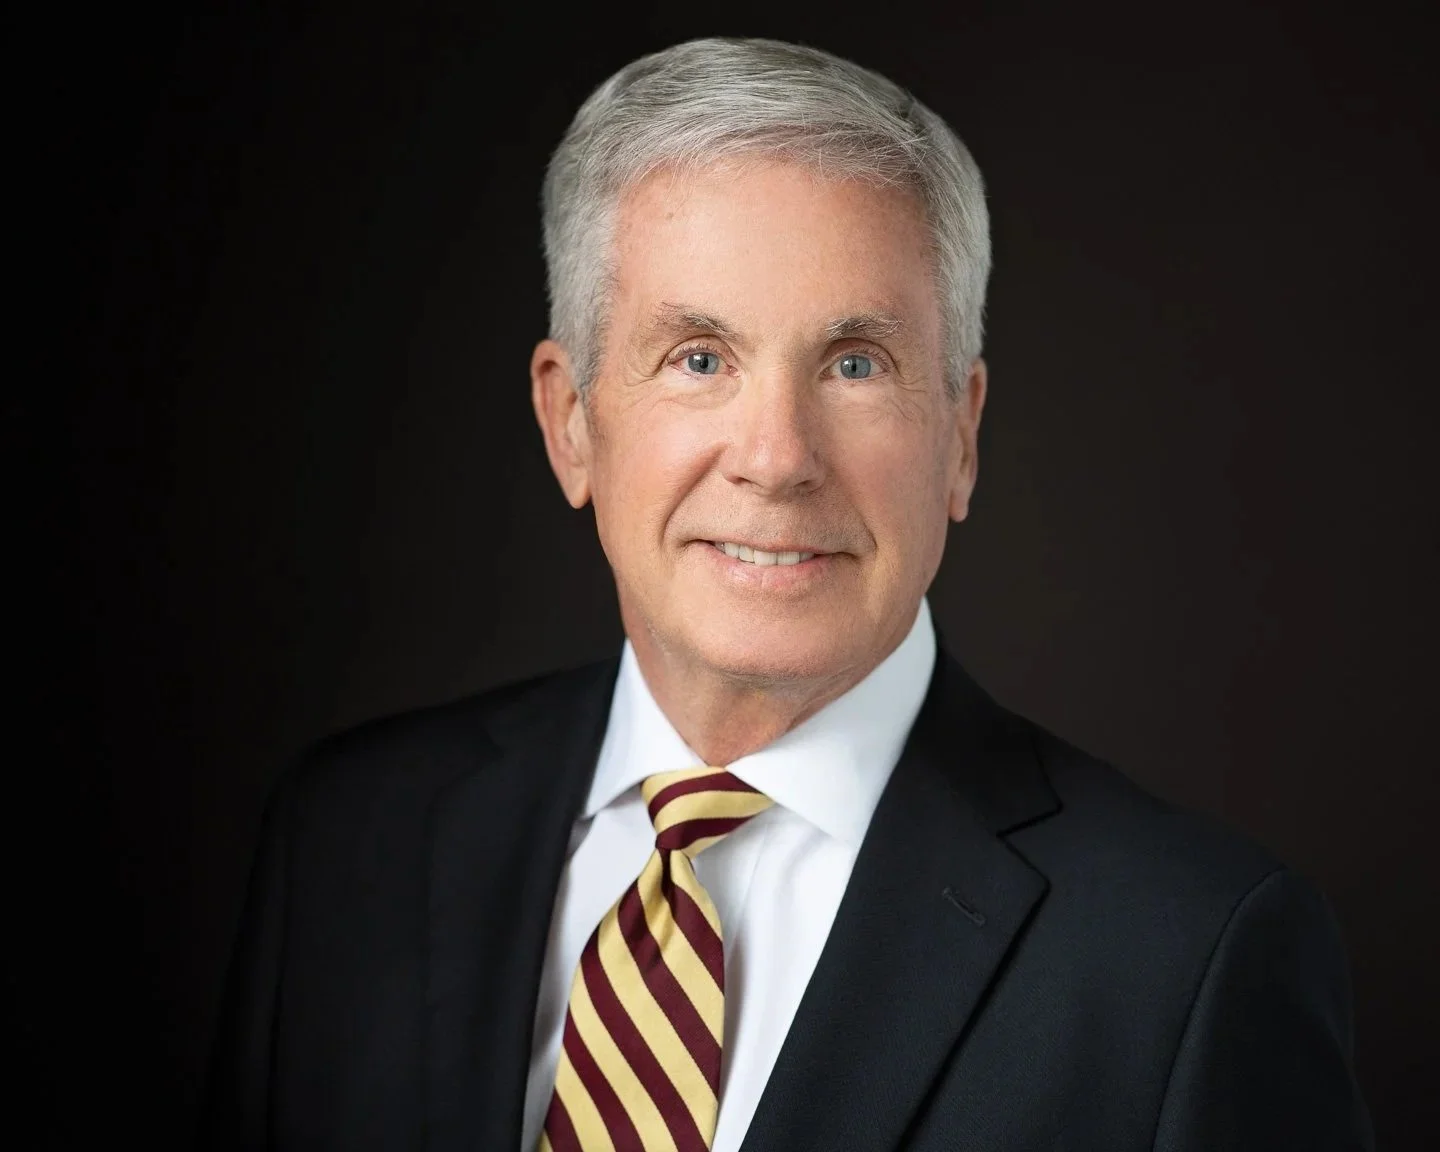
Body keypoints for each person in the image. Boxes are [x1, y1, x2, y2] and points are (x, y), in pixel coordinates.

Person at [199, 37, 1374, 1151]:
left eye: (855, 365)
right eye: (699, 358)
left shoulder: (1193, 954)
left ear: (961, 436)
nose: (776, 457)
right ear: (571, 422)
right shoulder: (348, 841)